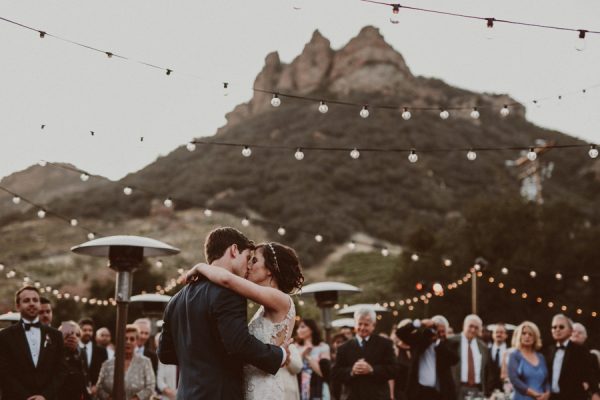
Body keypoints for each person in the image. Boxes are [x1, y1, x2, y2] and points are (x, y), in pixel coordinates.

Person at [158, 227, 293, 399]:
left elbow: (164, 353)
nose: (248, 267)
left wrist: (198, 359)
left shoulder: (175, 299)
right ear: (234, 250)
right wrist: (278, 355)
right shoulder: (228, 292)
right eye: (247, 258)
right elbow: (238, 343)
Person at [184, 239, 303, 400]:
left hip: (263, 391)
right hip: (248, 386)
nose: (249, 265)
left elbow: (227, 280)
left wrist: (200, 267)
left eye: (254, 260)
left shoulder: (280, 298)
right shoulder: (266, 306)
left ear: (270, 269)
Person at [0, 285, 67, 399]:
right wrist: (25, 396)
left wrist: (45, 396)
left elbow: (61, 370)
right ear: (17, 306)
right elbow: (4, 372)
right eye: (26, 300)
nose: (31, 303)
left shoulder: (55, 335)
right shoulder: (4, 336)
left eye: (35, 300)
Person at [331, 307, 397, 400]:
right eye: (359, 324)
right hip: (352, 397)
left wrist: (372, 370)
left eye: (366, 324)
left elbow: (394, 370)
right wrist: (351, 371)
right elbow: (335, 373)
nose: (362, 328)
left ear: (373, 325)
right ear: (355, 324)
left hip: (377, 397)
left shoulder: (385, 344)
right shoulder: (343, 348)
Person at [395, 315, 458, 400]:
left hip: (439, 392)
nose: (440, 334)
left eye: (443, 331)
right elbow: (400, 332)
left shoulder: (449, 344)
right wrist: (418, 323)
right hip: (419, 392)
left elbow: (454, 360)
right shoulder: (420, 340)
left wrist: (438, 343)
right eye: (437, 330)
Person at [547, 314, 600, 400]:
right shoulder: (548, 351)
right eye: (554, 327)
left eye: (561, 327)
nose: (557, 329)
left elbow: (590, 375)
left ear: (570, 331)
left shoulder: (581, 351)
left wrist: (595, 393)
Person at [96, 324, 156, 399]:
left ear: (136, 341)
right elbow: (99, 388)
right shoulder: (107, 364)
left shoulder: (145, 362)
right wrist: (109, 398)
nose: (128, 342)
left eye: (132, 339)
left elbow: (150, 387)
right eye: (125, 339)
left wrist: (135, 399)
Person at [447, 314, 493, 399]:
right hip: (457, 389)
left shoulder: (483, 347)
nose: (473, 330)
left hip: (477, 390)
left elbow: (487, 372)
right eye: (471, 326)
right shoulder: (451, 342)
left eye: (476, 328)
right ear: (464, 326)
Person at [507, 321, 549, 400]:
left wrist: (547, 394)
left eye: (530, 334)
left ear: (535, 337)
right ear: (519, 336)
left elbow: (546, 380)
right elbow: (514, 380)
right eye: (524, 333)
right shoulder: (514, 355)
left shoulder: (541, 357)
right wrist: (534, 394)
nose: (527, 336)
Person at [296, 319, 332, 400]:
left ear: (311, 329)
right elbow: (294, 367)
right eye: (298, 328)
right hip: (299, 386)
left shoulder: (323, 347)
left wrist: (308, 357)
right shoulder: (295, 347)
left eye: (302, 327)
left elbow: (322, 373)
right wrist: (302, 353)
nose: (299, 330)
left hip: (318, 387)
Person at [59, 321, 90, 400]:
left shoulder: (82, 352)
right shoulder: (55, 352)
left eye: (77, 335)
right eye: (69, 334)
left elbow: (84, 376)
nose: (73, 337)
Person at [79, 317, 108, 395]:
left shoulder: (101, 351)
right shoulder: (74, 349)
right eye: (84, 330)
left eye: (90, 330)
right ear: (79, 331)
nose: (87, 333)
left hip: (96, 392)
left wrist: (97, 386)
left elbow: (105, 371)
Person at [390, 318, 413, 400]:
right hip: (399, 392)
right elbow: (391, 375)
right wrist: (391, 395)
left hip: (414, 392)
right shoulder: (395, 349)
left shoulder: (415, 348)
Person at [489, 323, 509, 392]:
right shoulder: (486, 350)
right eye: (496, 332)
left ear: (506, 335)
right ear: (492, 335)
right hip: (489, 391)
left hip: (506, 390)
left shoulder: (511, 352)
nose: (499, 334)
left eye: (501, 332)